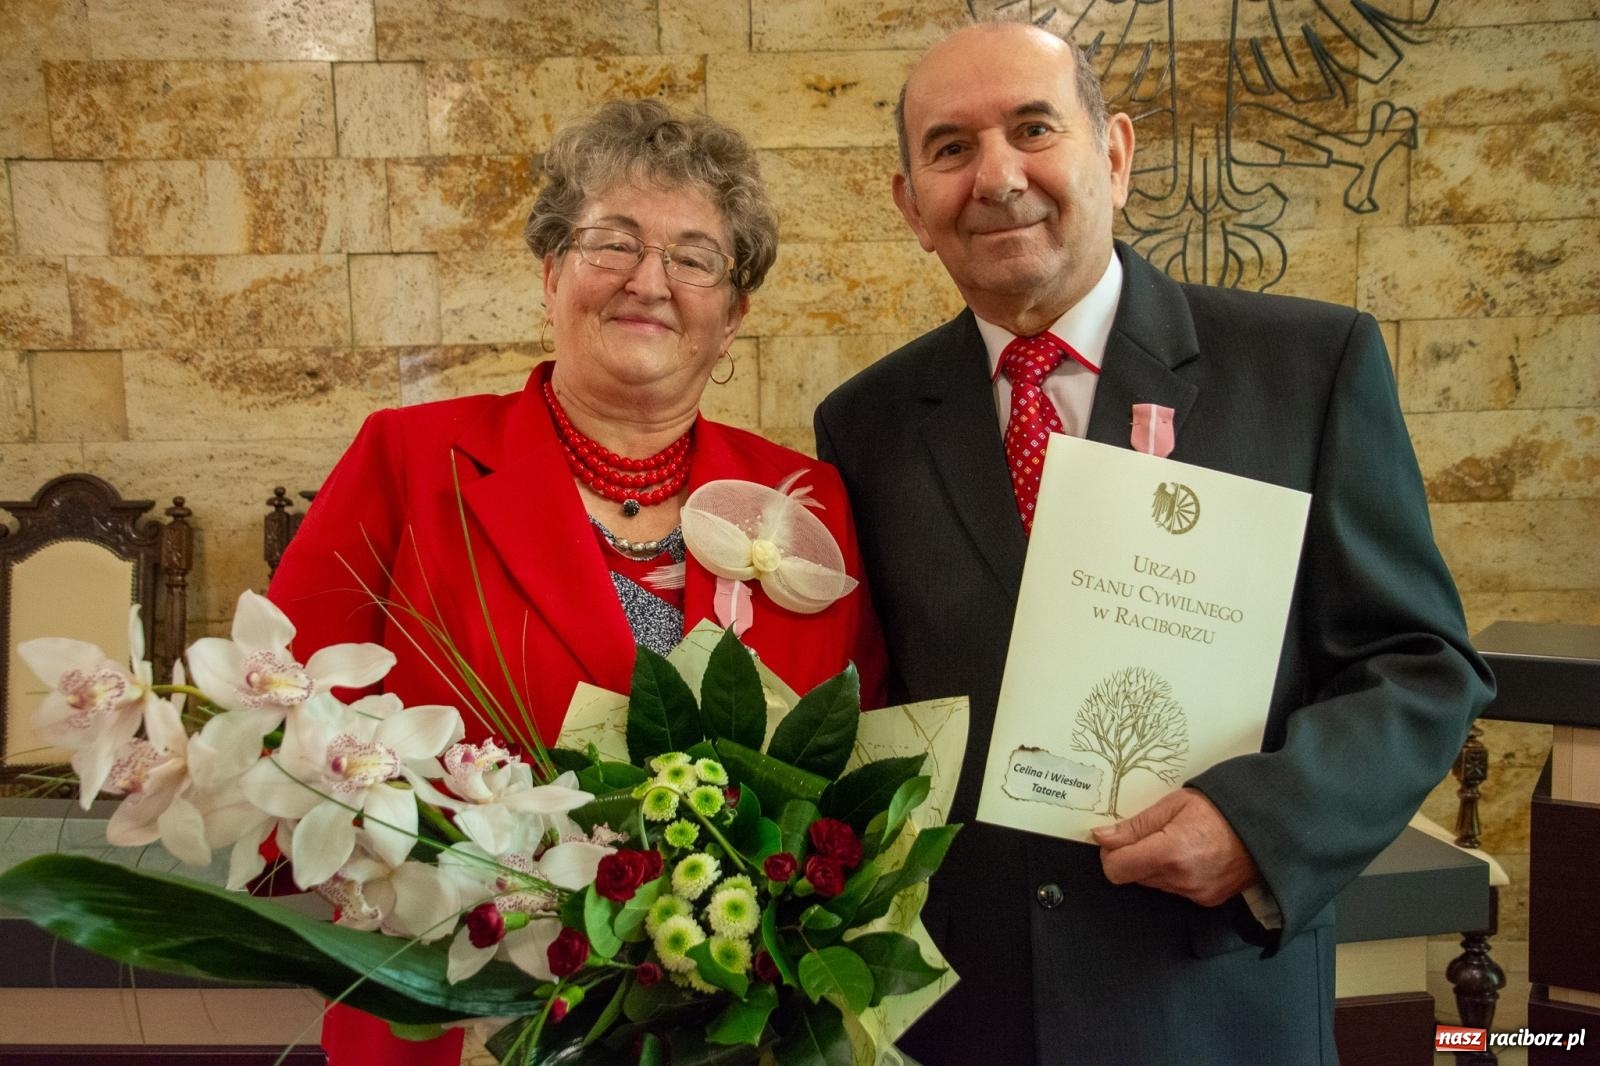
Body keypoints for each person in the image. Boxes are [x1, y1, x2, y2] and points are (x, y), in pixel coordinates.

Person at [814, 21, 1494, 1065]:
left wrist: (1259, 826)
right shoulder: (864, 424)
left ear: (1116, 154)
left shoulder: (1306, 367)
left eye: (1033, 128)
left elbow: (1420, 664)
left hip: (1209, 1006)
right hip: (964, 1018)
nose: (997, 176)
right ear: (912, 206)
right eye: (951, 148)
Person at [269, 99, 886, 1066]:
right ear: (552, 272)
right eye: (614, 243)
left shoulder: (806, 502)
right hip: (459, 1013)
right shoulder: (408, 461)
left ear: (734, 316)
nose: (650, 280)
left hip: (723, 1033)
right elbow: (282, 737)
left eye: (695, 258)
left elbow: (859, 780)